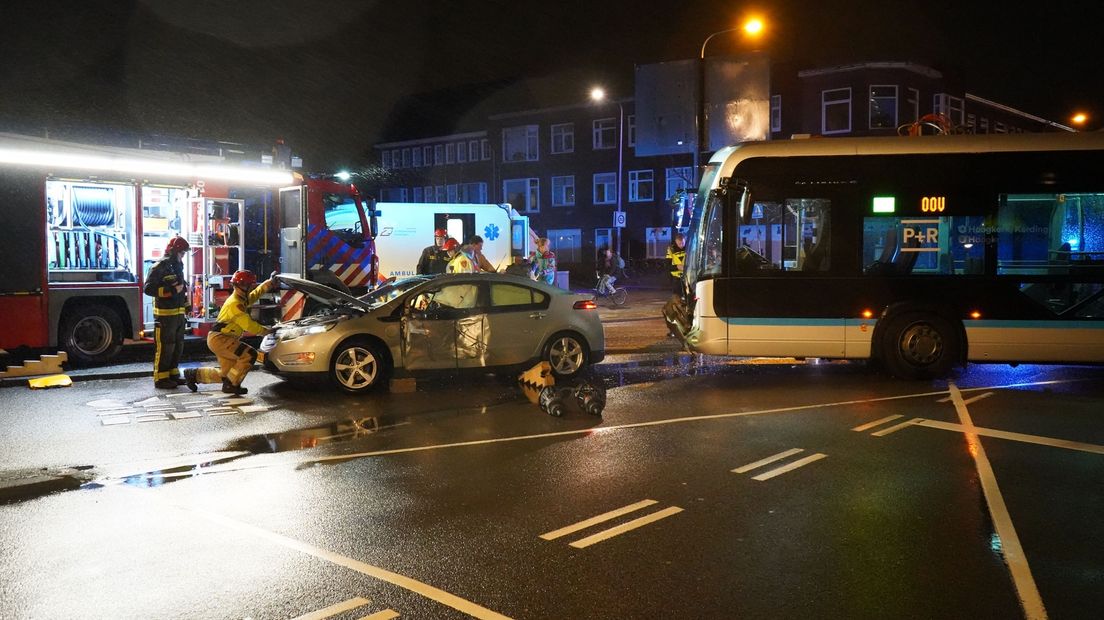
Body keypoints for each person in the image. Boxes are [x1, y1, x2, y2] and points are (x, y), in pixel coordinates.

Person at [184, 270, 275, 395]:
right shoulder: (236, 304)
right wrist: (267, 331)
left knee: (226, 374)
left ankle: (193, 375)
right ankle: (231, 385)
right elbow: (249, 325)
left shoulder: (239, 298)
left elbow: (255, 295)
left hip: (219, 339)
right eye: (250, 285)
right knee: (249, 355)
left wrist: (269, 283)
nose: (251, 288)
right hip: (221, 339)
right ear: (245, 286)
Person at [145, 236, 190, 389]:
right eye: (181, 253)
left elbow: (181, 289)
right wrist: (170, 291)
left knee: (177, 345)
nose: (183, 256)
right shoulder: (159, 267)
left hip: (178, 314)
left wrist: (187, 306)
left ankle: (172, 375)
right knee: (165, 346)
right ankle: (161, 378)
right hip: (165, 315)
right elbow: (149, 289)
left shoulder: (177, 267)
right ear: (173, 251)